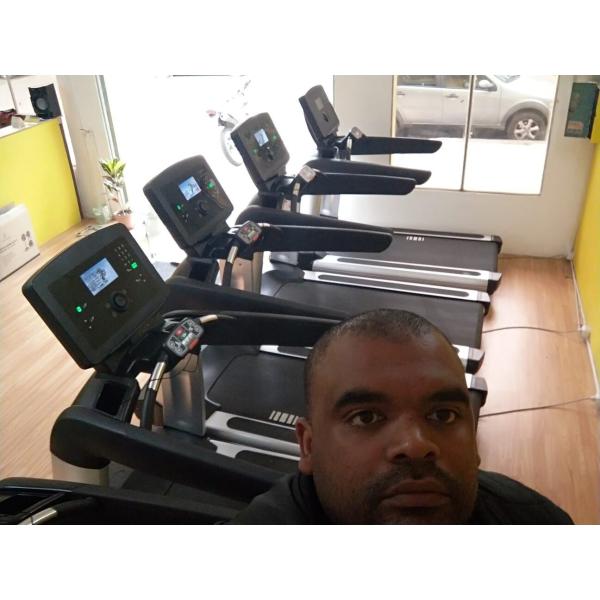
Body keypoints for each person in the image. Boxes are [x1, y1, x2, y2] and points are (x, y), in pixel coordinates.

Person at [230, 309, 573, 524]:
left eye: (443, 415)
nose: (416, 445)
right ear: (308, 446)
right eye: (366, 417)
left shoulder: (535, 521)